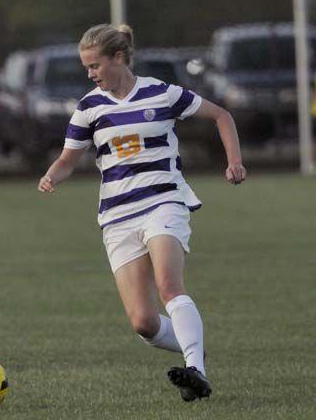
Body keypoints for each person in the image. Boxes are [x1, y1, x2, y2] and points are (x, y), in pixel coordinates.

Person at [37, 24, 246, 402]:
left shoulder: (162, 93)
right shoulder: (89, 108)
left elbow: (222, 116)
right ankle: (191, 345)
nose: (90, 74)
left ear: (118, 58)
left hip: (164, 202)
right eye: (86, 68)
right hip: (117, 217)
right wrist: (54, 174)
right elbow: (69, 159)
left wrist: (235, 162)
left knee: (170, 286)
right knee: (144, 323)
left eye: (95, 65)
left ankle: (195, 368)